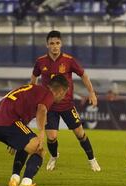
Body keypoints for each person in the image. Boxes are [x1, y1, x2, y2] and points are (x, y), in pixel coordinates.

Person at [30, 30, 101, 172]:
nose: (55, 46)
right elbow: (34, 78)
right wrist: (33, 94)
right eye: (52, 43)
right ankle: (54, 157)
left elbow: (84, 76)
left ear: (61, 44)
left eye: (57, 43)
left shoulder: (69, 60)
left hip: (67, 105)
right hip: (49, 107)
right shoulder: (41, 61)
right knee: (52, 137)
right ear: (47, 45)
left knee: (80, 134)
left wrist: (92, 93)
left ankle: (92, 160)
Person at [0, 75, 69, 186]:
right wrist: (41, 133)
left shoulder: (34, 90)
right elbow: (42, 109)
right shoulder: (48, 94)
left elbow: (19, 109)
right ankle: (27, 183)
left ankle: (14, 179)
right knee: (39, 149)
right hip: (9, 122)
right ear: (61, 91)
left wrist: (14, 139)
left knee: (26, 144)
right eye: (64, 93)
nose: (63, 97)